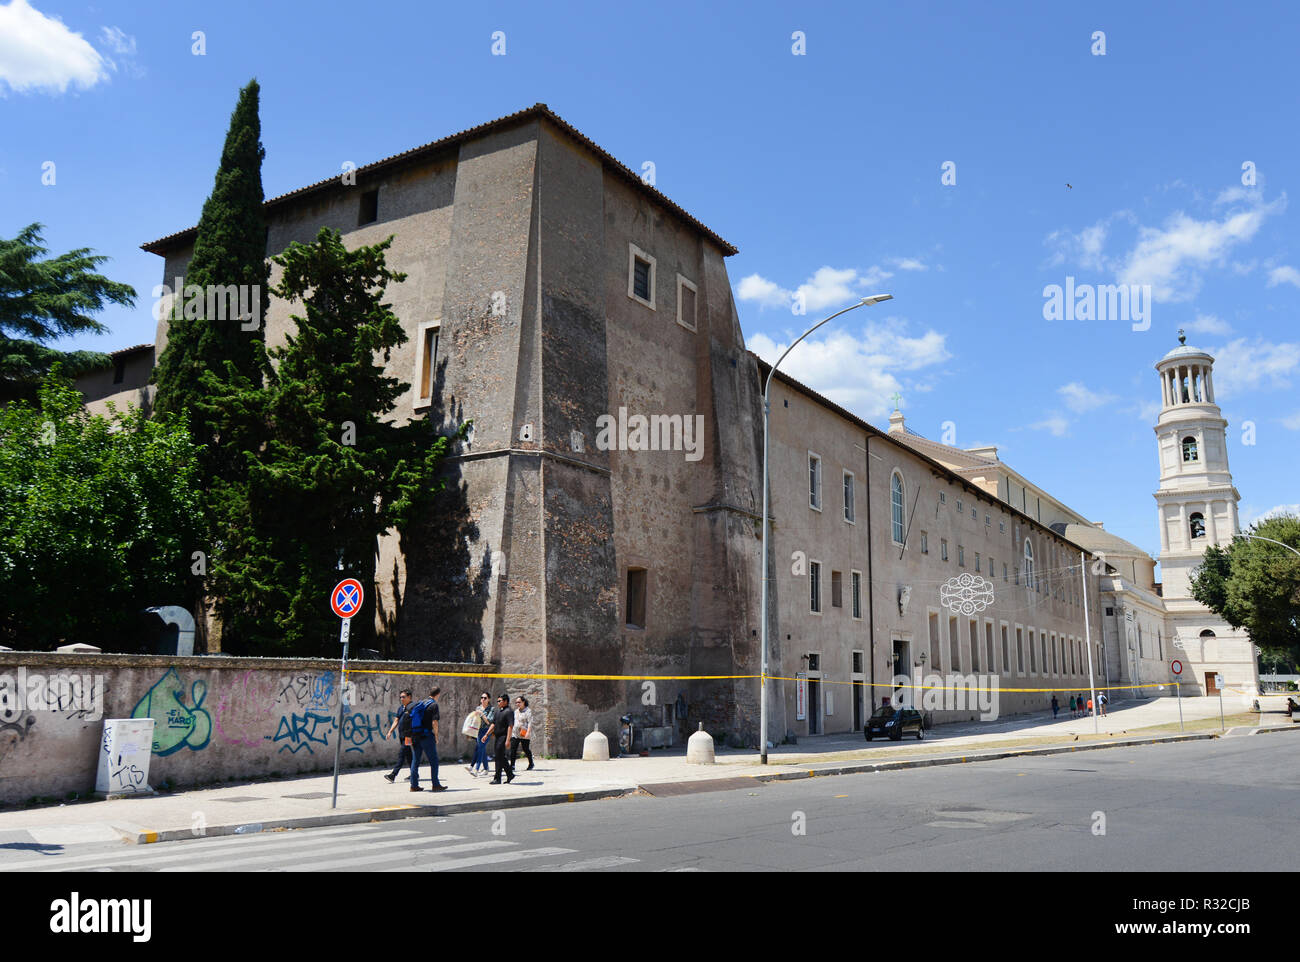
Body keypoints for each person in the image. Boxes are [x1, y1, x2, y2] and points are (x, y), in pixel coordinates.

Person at [408, 686, 447, 792]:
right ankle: (435, 784)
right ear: (438, 694)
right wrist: (436, 736)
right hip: (426, 736)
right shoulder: (434, 705)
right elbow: (435, 722)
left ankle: (414, 785)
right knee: (434, 761)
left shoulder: (422, 703)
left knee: (415, 761)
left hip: (416, 735)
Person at [481, 694, 515, 784]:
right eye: (498, 701)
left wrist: (508, 740)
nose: (498, 703)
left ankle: (498, 778)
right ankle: (509, 774)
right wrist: (486, 734)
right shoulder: (498, 711)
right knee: (500, 757)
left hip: (504, 736)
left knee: (499, 757)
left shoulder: (509, 712)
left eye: (500, 701)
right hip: (498, 736)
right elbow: (493, 724)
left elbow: (510, 726)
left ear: (505, 701)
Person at [383, 689, 413, 783]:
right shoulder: (401, 708)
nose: (401, 699)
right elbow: (396, 720)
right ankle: (414, 773)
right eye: (400, 697)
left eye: (403, 697)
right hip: (401, 735)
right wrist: (390, 732)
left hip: (408, 736)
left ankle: (393, 775)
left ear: (409, 697)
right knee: (408, 755)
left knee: (401, 754)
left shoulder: (413, 707)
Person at [466, 692, 493, 776]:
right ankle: (486, 768)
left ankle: (475, 769)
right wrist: (470, 731)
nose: (483, 699)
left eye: (485, 698)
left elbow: (489, 721)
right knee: (481, 749)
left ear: (489, 699)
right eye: (482, 698)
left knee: (480, 748)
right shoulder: (478, 707)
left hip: (486, 731)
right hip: (478, 730)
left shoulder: (491, 709)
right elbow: (474, 720)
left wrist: (481, 714)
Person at [510, 695, 534, 772]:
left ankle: (531, 763)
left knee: (525, 749)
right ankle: (512, 765)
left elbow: (530, 723)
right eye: (516, 702)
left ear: (523, 702)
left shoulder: (528, 711)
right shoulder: (516, 711)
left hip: (524, 733)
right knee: (513, 749)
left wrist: (528, 733)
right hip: (515, 733)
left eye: (519, 702)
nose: (517, 704)